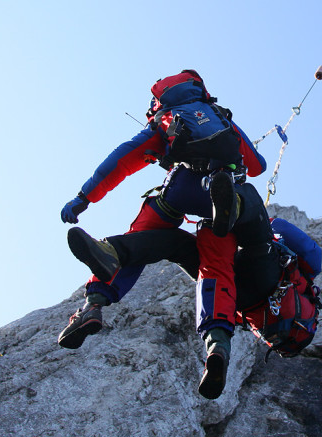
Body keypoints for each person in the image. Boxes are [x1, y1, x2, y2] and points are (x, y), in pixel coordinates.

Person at [59, 70, 268, 399]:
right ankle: (217, 348)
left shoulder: (165, 120)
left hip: (182, 187)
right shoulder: (220, 117)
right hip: (223, 193)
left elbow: (119, 161)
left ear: (159, 99)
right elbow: (258, 166)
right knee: (216, 268)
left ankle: (95, 300)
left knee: (144, 234)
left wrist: (84, 197)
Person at [57, 215, 322, 350]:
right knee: (181, 245)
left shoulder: (313, 268)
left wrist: (267, 221)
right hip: (238, 300)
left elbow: (283, 229)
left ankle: (107, 267)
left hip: (253, 281)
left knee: (173, 243)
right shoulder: (301, 285)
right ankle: (217, 349)